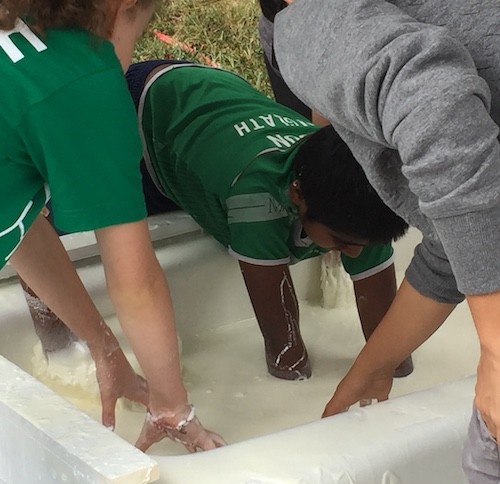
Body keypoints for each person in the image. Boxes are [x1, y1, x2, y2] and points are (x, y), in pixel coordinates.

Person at [272, 0, 500, 480]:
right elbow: (457, 247)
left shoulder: (305, 27)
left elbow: (436, 107)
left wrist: (497, 353)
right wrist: (373, 368)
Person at [0, 0, 223, 453]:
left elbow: (14, 227)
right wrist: (173, 408)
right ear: (124, 9)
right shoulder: (85, 81)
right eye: (141, 33)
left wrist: (105, 348)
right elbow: (135, 284)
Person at [126, 59, 410, 381]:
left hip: (217, 97)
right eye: (342, 243)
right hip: (147, 111)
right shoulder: (258, 201)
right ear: (296, 195)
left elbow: (394, 352)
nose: (355, 252)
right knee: (92, 227)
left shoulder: (363, 195)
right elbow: (285, 353)